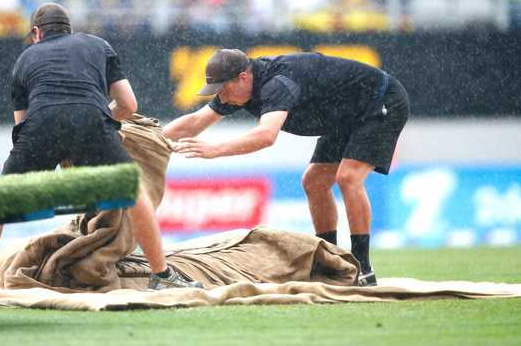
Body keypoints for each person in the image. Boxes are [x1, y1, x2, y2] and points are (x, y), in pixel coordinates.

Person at [0, 2, 202, 291]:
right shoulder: (98, 45)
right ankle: (162, 277)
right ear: (70, 29)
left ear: (37, 33)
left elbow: (21, 126)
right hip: (90, 120)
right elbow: (128, 105)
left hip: (41, 127)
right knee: (134, 194)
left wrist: (50, 156)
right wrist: (97, 130)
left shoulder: (25, 58)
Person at [163, 49, 410, 286]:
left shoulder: (277, 83)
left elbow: (266, 136)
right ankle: (330, 262)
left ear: (243, 77)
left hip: (380, 102)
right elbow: (194, 122)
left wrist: (214, 150)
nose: (222, 97)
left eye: (224, 89)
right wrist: (141, 135)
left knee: (348, 178)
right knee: (314, 182)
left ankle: (362, 268)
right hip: (344, 115)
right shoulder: (239, 89)